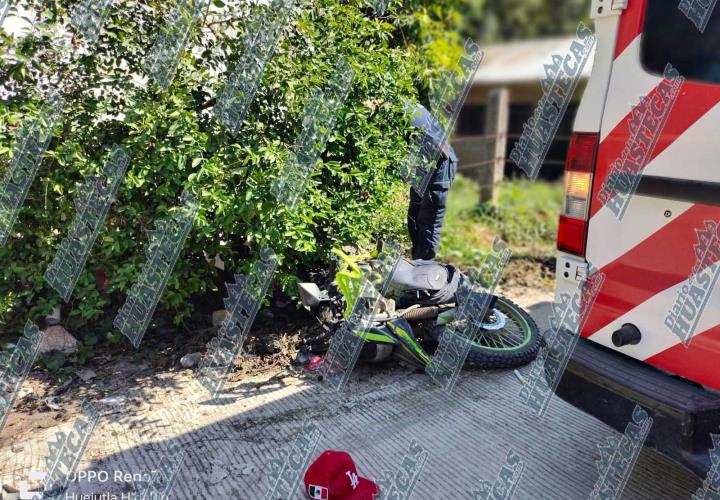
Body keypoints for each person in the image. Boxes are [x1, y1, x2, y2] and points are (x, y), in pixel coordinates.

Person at [405, 102, 458, 261]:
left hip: (440, 164)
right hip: (423, 165)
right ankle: (416, 265)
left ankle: (424, 271)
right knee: (413, 217)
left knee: (428, 222)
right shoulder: (404, 105)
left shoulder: (398, 108)